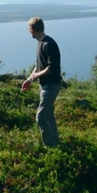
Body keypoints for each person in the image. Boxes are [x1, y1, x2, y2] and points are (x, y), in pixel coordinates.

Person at [21, 17, 62, 147]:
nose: (28, 31)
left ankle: (50, 146)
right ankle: (55, 142)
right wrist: (29, 79)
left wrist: (35, 76)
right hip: (45, 85)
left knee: (41, 117)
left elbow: (51, 68)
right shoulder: (41, 43)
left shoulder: (49, 44)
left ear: (32, 29)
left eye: (28, 29)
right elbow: (38, 65)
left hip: (51, 86)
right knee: (48, 115)